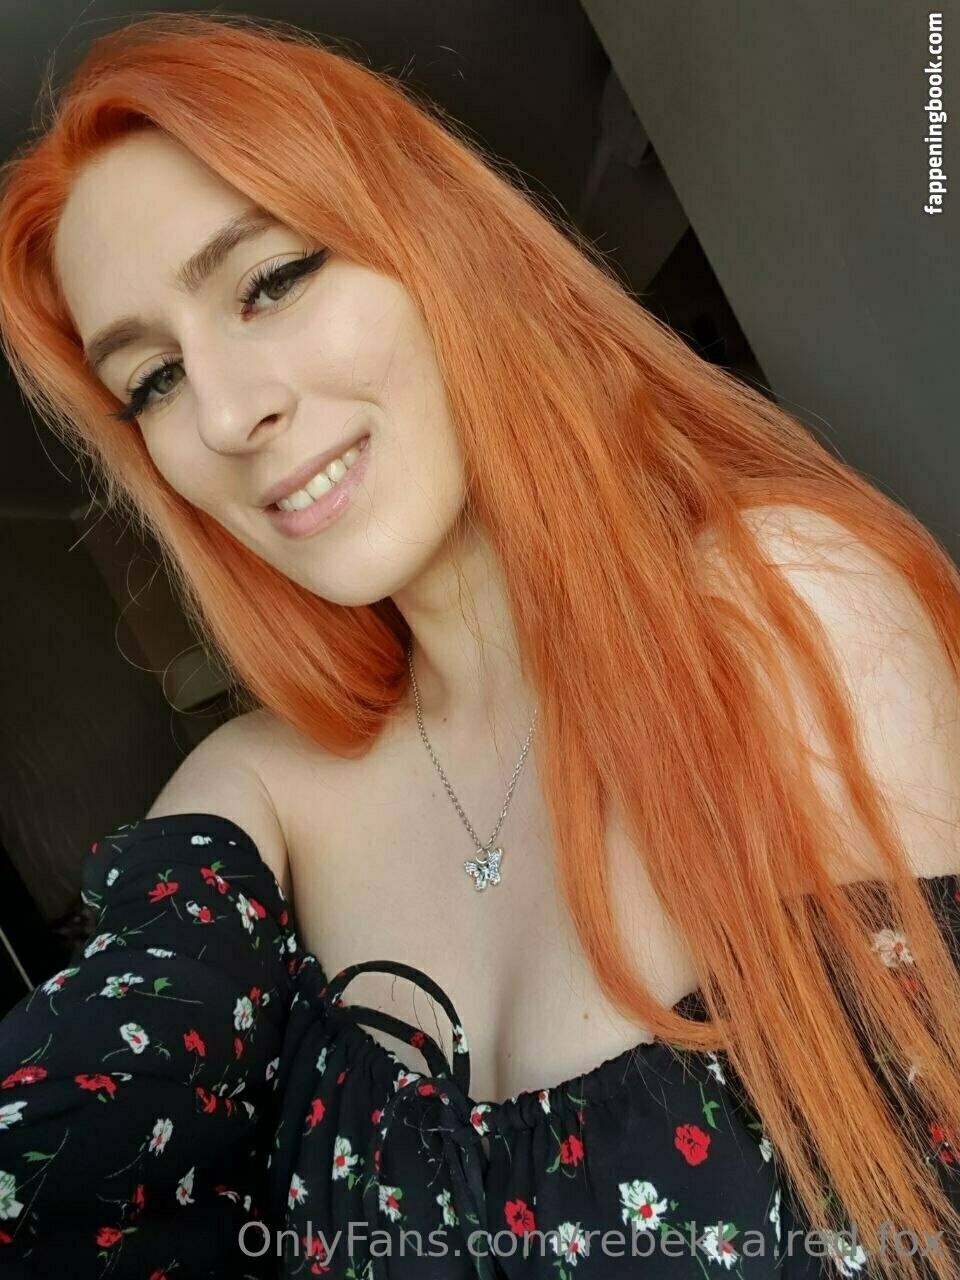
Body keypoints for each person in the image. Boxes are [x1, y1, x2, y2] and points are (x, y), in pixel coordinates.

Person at [0, 12, 959, 1280]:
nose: (226, 413)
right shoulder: (262, 791)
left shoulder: (781, 608)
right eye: (155, 380)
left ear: (436, 243)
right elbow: (61, 1135)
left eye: (270, 282)